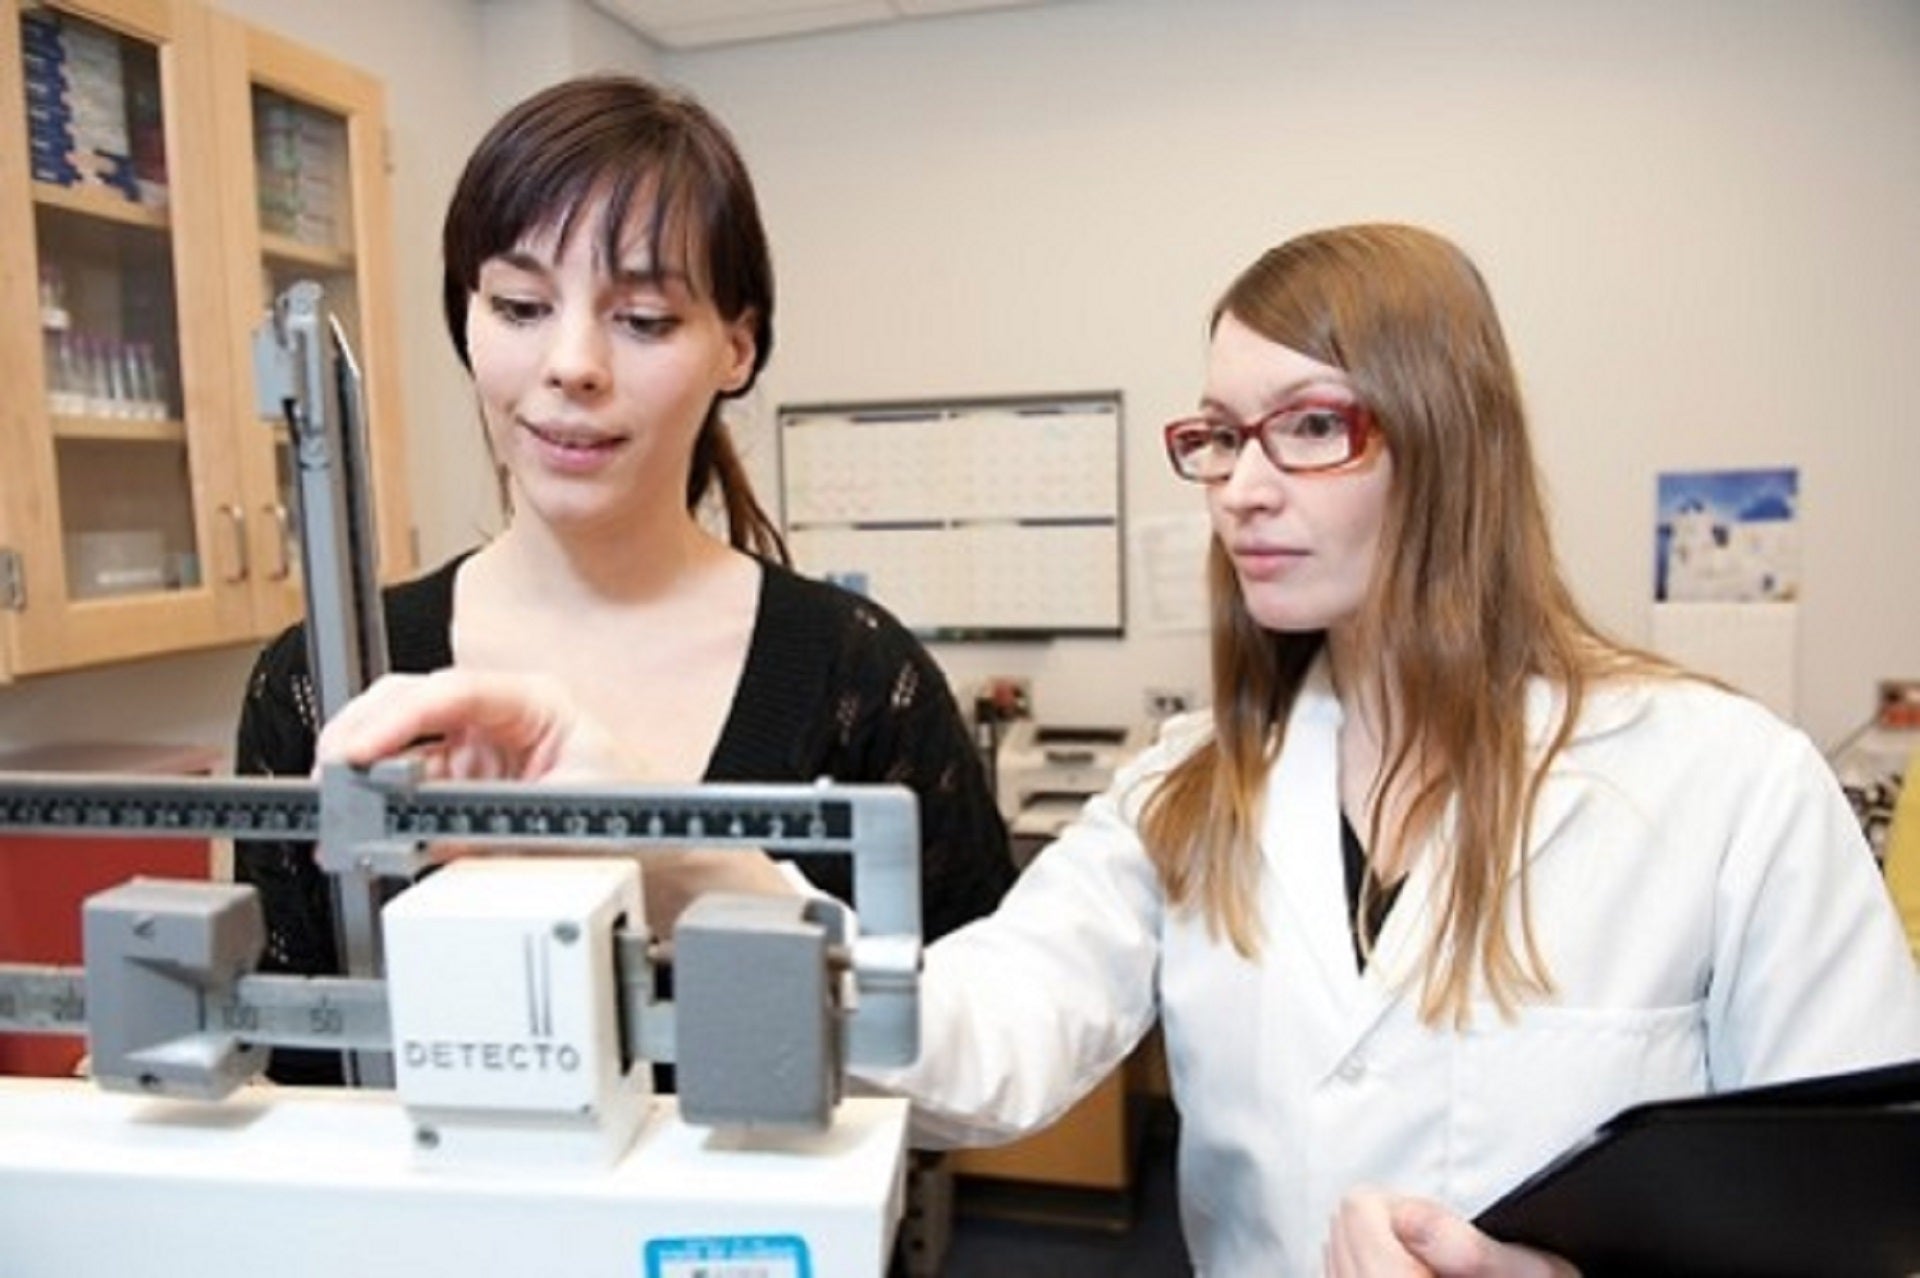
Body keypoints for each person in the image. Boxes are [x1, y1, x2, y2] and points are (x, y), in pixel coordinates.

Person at [310, 223, 1920, 1275]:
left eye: (1309, 425)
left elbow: (1866, 1222)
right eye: (1219, 435)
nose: (1239, 485)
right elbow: (969, 1036)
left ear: (1451, 438)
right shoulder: (1189, 793)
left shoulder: (1727, 788)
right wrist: (631, 815)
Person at [234, 73, 1015, 1085]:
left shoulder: (858, 676)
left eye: (643, 318)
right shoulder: (326, 681)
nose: (573, 364)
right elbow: (289, 1070)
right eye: (519, 304)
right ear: (465, 322)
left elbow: (979, 1040)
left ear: (735, 347)